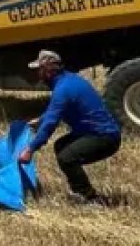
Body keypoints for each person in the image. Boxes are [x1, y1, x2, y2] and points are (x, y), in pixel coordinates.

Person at [17, 50, 121, 205]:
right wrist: (40, 120)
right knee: (61, 146)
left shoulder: (63, 90)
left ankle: (90, 198)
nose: (37, 74)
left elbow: (50, 125)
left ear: (48, 70)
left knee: (67, 157)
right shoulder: (68, 81)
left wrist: (30, 149)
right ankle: (79, 191)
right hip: (95, 133)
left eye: (39, 69)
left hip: (104, 137)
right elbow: (53, 112)